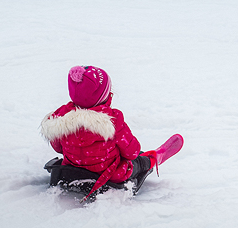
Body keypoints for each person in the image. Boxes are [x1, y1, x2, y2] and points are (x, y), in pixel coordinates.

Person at [40, 65, 160, 200]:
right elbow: (131, 152)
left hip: (72, 169)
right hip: (107, 174)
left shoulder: (61, 117)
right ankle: (149, 161)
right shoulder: (111, 120)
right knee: (136, 160)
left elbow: (58, 148)